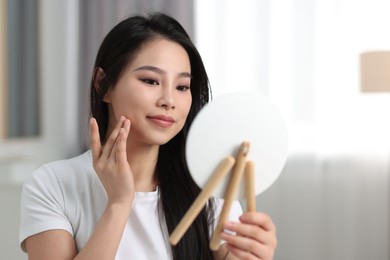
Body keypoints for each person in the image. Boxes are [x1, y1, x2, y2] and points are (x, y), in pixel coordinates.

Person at [19, 12, 277, 260]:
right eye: (151, 81)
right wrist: (119, 204)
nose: (169, 100)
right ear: (103, 84)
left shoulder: (210, 190)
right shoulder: (52, 185)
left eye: (182, 87)